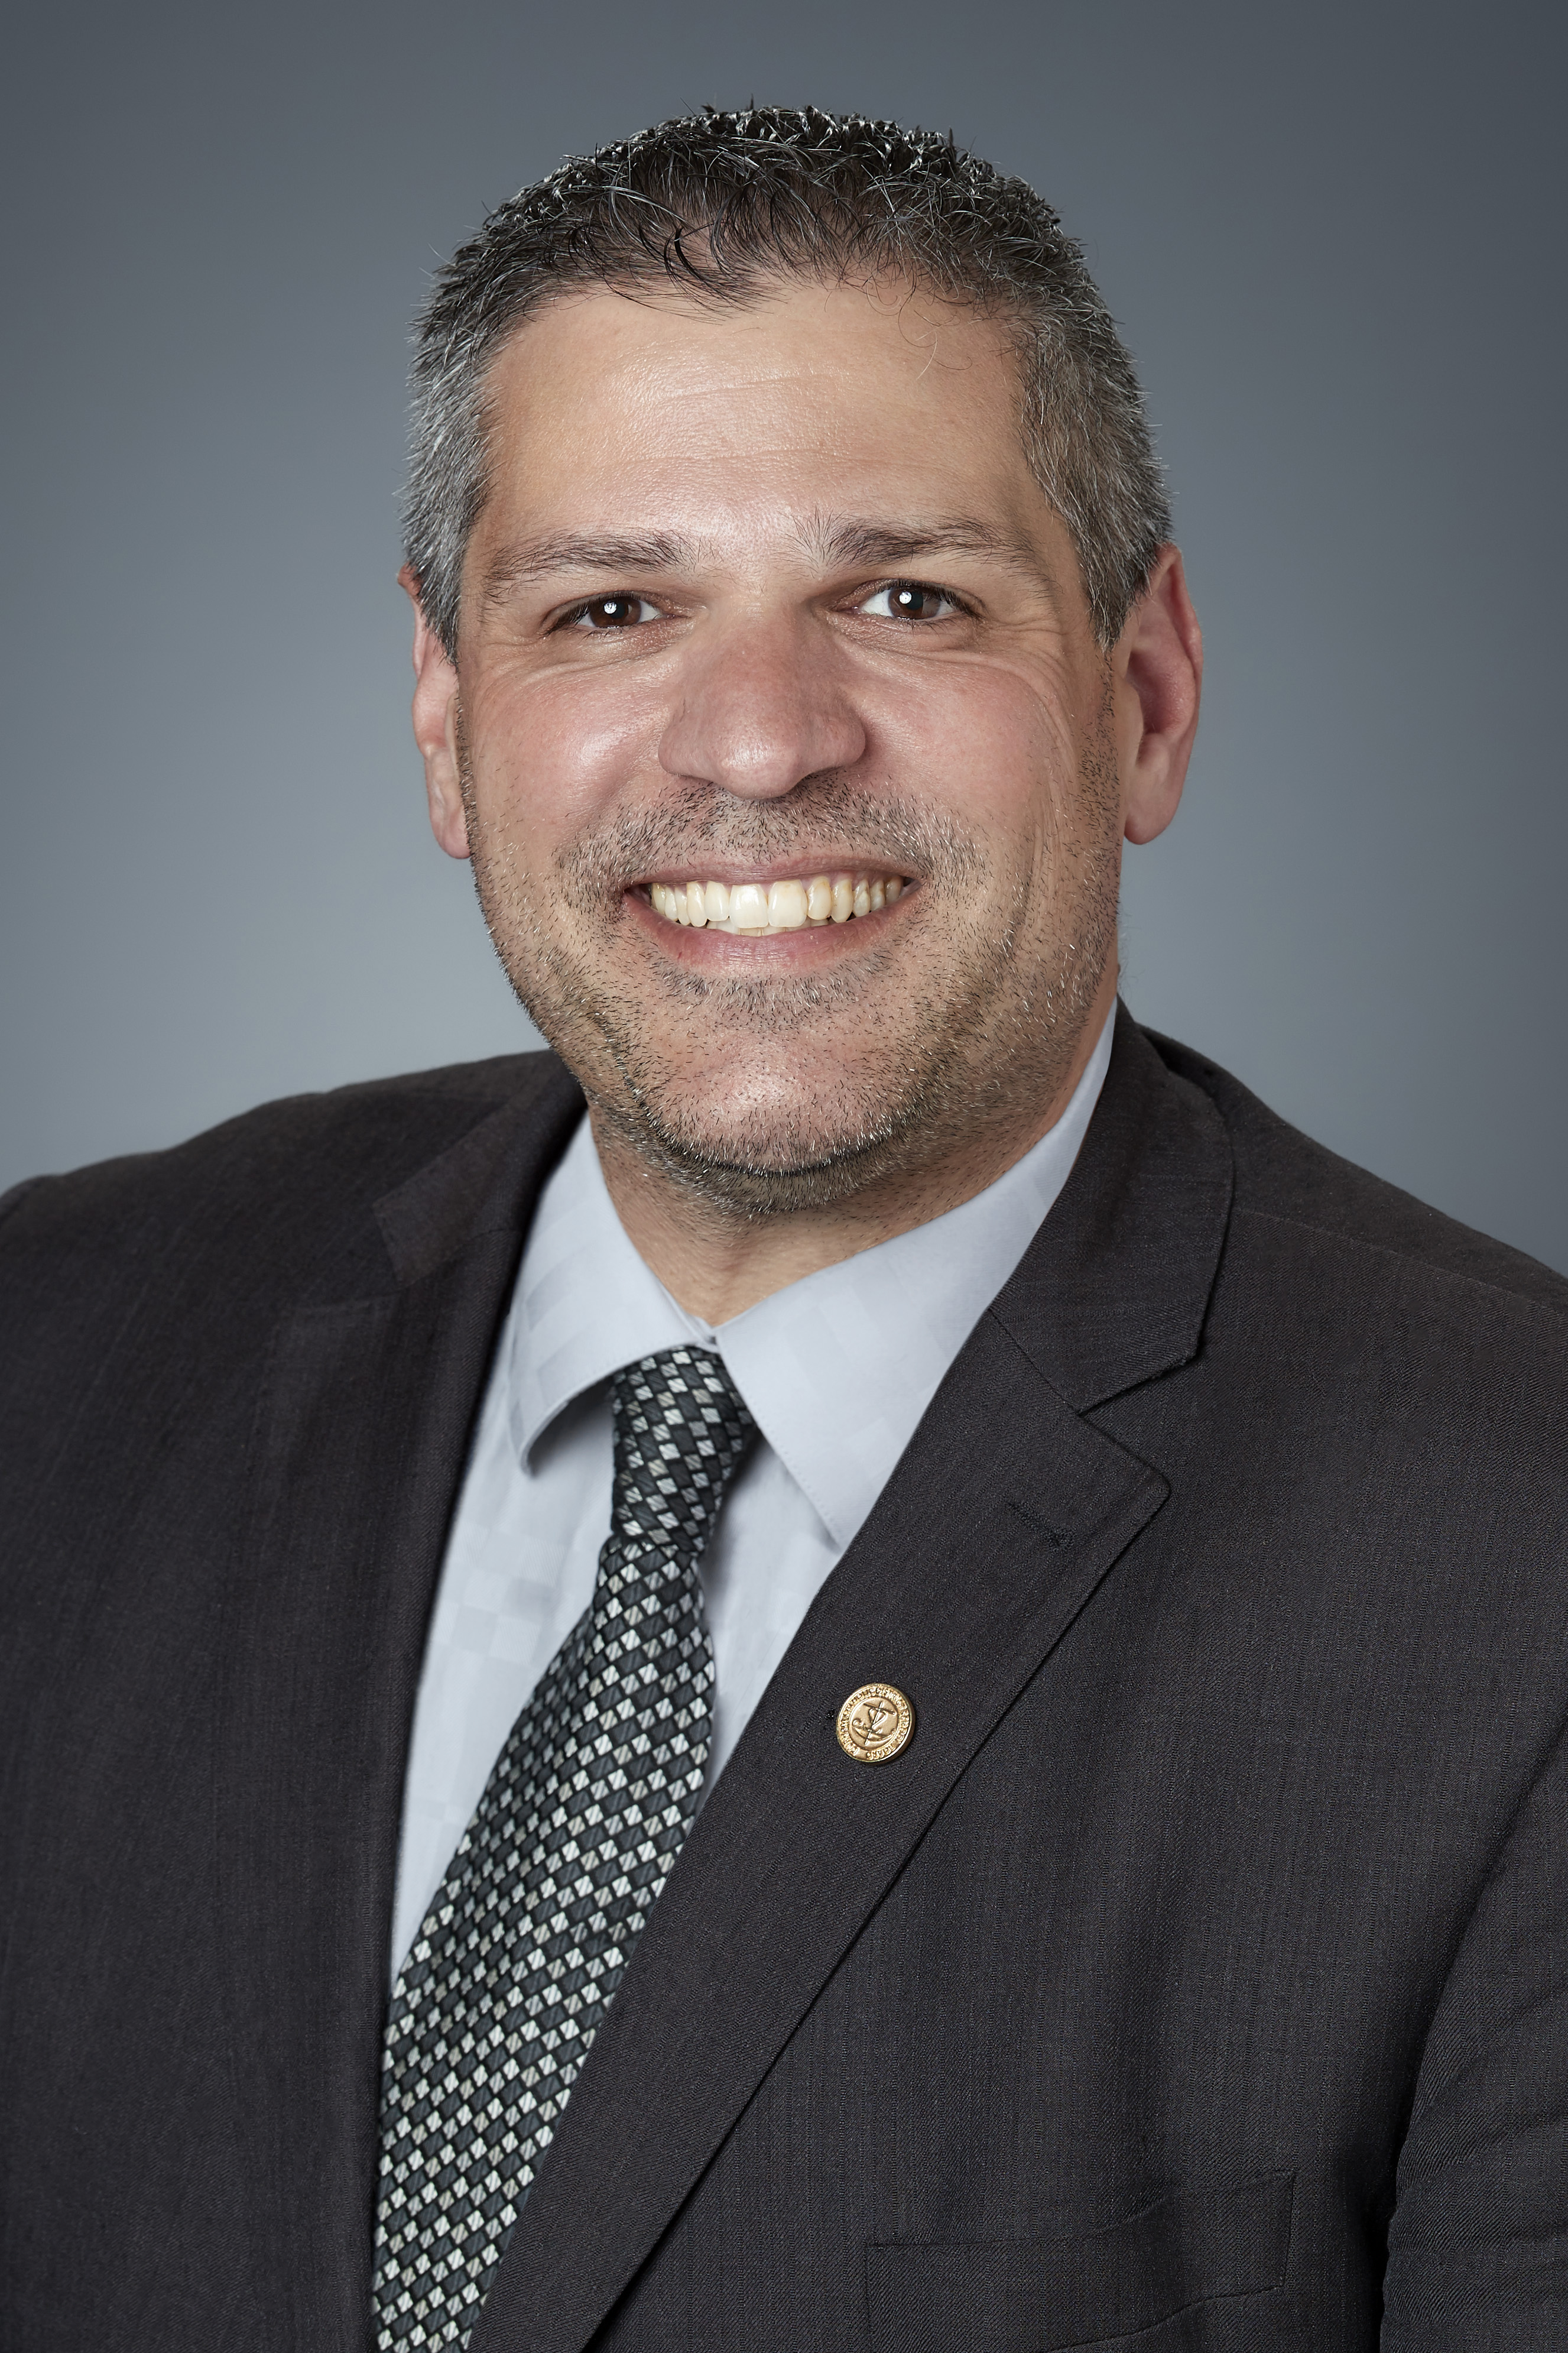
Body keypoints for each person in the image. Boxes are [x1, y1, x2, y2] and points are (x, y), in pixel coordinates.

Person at [1, 104, 1564, 2353]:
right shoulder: (56, 1346)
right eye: (612, 606)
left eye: (905, 595)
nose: (754, 741)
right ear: (449, 719)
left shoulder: (1523, 1573)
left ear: (1144, 690)